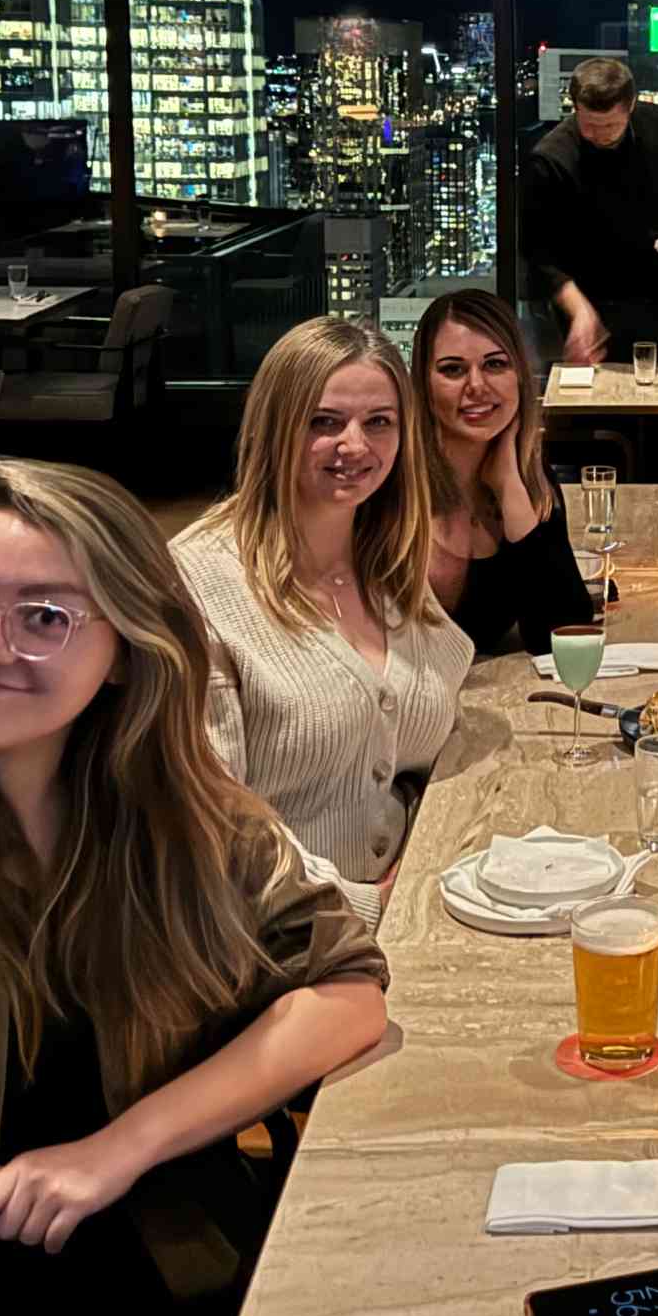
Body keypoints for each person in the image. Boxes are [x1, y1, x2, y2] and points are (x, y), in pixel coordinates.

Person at [0, 460, 388, 1316]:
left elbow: (348, 991)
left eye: (44, 617)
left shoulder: (189, 820)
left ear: (124, 652)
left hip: (172, 1263)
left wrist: (118, 1148)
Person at [172, 319, 472, 929]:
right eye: (323, 422)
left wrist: (423, 848)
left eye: (379, 422)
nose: (355, 446)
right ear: (274, 428)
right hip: (270, 939)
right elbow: (209, 829)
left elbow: (429, 706)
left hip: (409, 909)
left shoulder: (385, 559)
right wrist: (369, 905)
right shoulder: (198, 581)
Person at [412, 289, 592, 654]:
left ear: (520, 376)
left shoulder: (530, 477)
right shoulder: (393, 484)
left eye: (495, 364)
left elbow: (564, 636)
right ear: (423, 384)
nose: (477, 386)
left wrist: (509, 485)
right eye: (453, 369)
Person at [520, 56, 658, 366]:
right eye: (589, 125)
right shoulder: (551, 159)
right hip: (586, 298)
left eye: (611, 125)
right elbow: (539, 256)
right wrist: (581, 312)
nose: (600, 134)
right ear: (575, 108)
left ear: (631, 105)